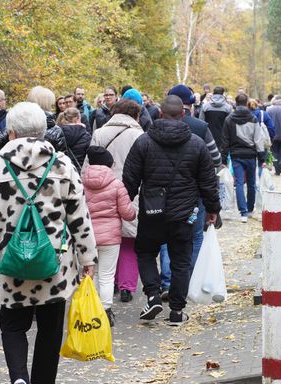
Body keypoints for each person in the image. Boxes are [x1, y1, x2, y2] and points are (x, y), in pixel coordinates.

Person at [0, 101, 97, 384]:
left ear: (10, 132)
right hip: (55, 261)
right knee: (50, 326)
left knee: (12, 324)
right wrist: (88, 258)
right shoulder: (61, 164)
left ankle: (18, 381)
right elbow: (80, 216)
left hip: (12, 261)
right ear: (44, 131)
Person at [122, 96, 220, 325]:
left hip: (152, 211)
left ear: (160, 113)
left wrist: (125, 206)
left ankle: (154, 294)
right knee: (181, 261)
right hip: (184, 212)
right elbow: (208, 181)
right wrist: (212, 209)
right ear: (184, 114)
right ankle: (176, 311)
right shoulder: (196, 144)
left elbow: (130, 180)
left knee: (146, 252)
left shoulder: (144, 142)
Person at [159, 84, 222, 300]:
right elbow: (216, 159)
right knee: (194, 236)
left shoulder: (155, 128)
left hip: (163, 193)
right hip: (194, 194)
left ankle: (167, 280)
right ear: (190, 105)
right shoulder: (200, 127)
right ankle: (189, 279)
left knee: (166, 237)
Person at [90, 99, 144, 303]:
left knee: (106, 239)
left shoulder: (99, 133)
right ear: (135, 115)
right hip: (131, 191)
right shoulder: (138, 135)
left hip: (101, 191)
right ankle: (127, 287)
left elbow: (89, 163)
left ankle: (108, 283)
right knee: (129, 242)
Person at [83, 145, 136, 327]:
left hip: (86, 236)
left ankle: (93, 308)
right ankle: (106, 312)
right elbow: (128, 213)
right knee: (107, 275)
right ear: (109, 164)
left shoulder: (80, 182)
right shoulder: (116, 184)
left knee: (92, 273)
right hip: (110, 237)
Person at [0, 86, 67, 160]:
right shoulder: (55, 131)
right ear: (47, 104)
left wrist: (6, 162)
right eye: (51, 104)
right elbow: (62, 159)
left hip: (15, 176)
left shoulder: (17, 124)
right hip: (45, 176)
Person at [219, 93, 265, 222]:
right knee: (251, 183)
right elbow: (258, 139)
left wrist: (223, 160)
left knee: (239, 183)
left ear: (235, 102)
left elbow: (225, 141)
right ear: (246, 103)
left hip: (236, 155)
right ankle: (250, 210)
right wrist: (262, 158)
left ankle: (243, 212)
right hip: (251, 155)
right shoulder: (253, 118)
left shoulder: (229, 119)